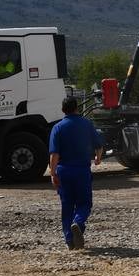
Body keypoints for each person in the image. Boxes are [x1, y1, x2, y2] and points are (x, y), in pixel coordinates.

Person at [48, 96, 104, 249]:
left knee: (67, 206)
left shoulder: (58, 127)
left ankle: (70, 241)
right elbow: (99, 146)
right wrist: (98, 159)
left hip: (64, 171)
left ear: (62, 110)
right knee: (84, 203)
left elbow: (54, 155)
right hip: (82, 171)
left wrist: (53, 174)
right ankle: (78, 223)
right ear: (77, 108)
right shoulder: (87, 124)